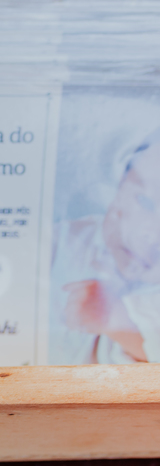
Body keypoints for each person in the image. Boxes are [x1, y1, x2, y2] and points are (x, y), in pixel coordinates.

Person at [55, 133, 160, 363]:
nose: (150, 232)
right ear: (119, 187)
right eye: (144, 201)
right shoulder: (59, 243)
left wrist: (116, 321)